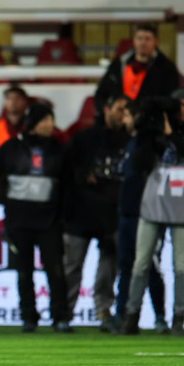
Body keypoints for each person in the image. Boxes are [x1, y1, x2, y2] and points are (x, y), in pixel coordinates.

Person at [119, 91, 184, 336]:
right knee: (140, 264)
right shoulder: (154, 135)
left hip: (182, 206)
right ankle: (131, 317)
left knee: (179, 265)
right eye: (176, 105)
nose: (179, 109)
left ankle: (179, 318)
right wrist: (147, 135)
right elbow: (137, 164)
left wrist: (171, 134)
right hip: (152, 204)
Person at [0, 104, 71, 333]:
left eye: (51, 120)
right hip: (18, 220)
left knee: (56, 271)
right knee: (24, 272)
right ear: (33, 123)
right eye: (45, 120)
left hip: (50, 220)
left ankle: (60, 317)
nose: (50, 125)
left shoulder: (58, 149)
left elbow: (68, 184)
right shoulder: (10, 148)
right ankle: (28, 317)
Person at [62, 94, 130, 330]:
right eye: (120, 109)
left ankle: (104, 312)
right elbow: (65, 171)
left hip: (111, 216)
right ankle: (64, 315)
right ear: (107, 109)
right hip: (80, 213)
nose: (123, 115)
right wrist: (80, 176)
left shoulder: (130, 142)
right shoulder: (84, 139)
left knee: (108, 269)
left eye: (126, 111)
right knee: (71, 268)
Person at [112, 100, 168, 333]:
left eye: (128, 115)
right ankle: (122, 314)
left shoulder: (153, 143)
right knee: (126, 265)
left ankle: (160, 317)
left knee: (148, 266)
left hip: (148, 213)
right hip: (128, 212)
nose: (124, 120)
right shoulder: (132, 142)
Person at [94, 23, 180, 116]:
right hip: (118, 122)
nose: (143, 43)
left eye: (147, 39)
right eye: (139, 38)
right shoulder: (118, 65)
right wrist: (106, 111)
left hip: (149, 121)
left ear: (156, 42)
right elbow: (100, 93)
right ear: (134, 41)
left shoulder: (166, 69)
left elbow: (170, 99)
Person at [0, 85, 29, 163]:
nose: (13, 102)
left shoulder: (32, 127)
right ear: (5, 103)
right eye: (9, 98)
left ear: (25, 102)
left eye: (17, 98)